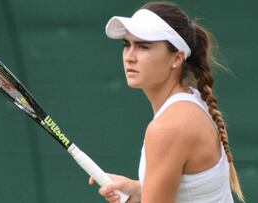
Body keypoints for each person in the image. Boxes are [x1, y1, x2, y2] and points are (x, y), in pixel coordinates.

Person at [89, 1, 244, 203]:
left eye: (143, 46)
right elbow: (191, 191)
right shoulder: (191, 102)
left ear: (177, 58)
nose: (130, 57)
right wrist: (140, 190)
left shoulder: (168, 128)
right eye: (127, 45)